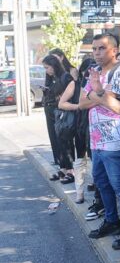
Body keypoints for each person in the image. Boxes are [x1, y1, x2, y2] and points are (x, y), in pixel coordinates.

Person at [78, 33, 120, 251]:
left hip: (114, 139)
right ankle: (112, 221)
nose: (96, 53)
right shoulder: (95, 71)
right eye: (94, 49)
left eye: (101, 48)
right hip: (96, 140)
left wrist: (97, 94)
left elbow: (115, 103)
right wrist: (100, 96)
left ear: (114, 50)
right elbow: (82, 103)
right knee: (102, 183)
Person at [58, 59, 98, 203]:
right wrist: (79, 106)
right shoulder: (75, 85)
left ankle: (95, 193)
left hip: (96, 128)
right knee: (80, 159)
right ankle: (79, 193)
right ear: (82, 71)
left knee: (95, 161)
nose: (90, 75)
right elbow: (61, 103)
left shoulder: (99, 85)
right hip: (80, 126)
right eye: (88, 71)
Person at [42, 54, 75, 184]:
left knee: (65, 141)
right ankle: (63, 168)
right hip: (52, 112)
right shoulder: (53, 77)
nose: (46, 71)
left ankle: (71, 171)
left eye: (47, 67)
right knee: (56, 141)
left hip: (63, 113)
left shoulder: (65, 76)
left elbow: (72, 93)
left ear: (54, 65)